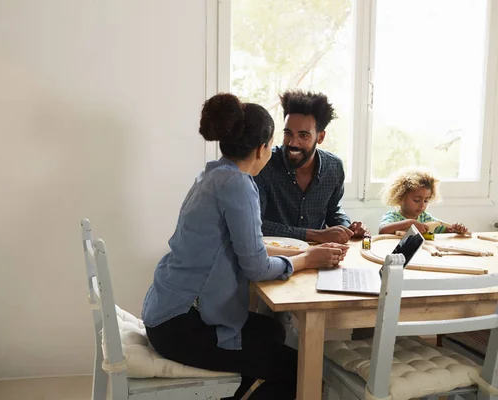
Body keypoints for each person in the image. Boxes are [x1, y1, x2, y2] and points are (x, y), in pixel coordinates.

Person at [141, 93, 349, 399]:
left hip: (167, 310)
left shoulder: (214, 174)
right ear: (263, 148)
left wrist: (305, 253)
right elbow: (256, 267)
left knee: (272, 331)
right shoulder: (238, 185)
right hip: (181, 325)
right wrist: (308, 260)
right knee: (300, 369)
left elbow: (248, 247)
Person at [255, 89, 369, 244]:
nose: (293, 143)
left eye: (303, 135)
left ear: (320, 137)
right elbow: (256, 224)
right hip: (276, 255)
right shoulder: (264, 164)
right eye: (288, 133)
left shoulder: (334, 167)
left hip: (320, 254)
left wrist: (347, 228)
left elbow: (333, 210)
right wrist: (315, 235)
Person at [379, 168, 468, 235]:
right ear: (400, 197)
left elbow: (444, 230)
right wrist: (411, 222)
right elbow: (383, 230)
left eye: (426, 200)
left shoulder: (425, 218)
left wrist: (455, 230)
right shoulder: (393, 217)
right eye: (416, 200)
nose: (422, 205)